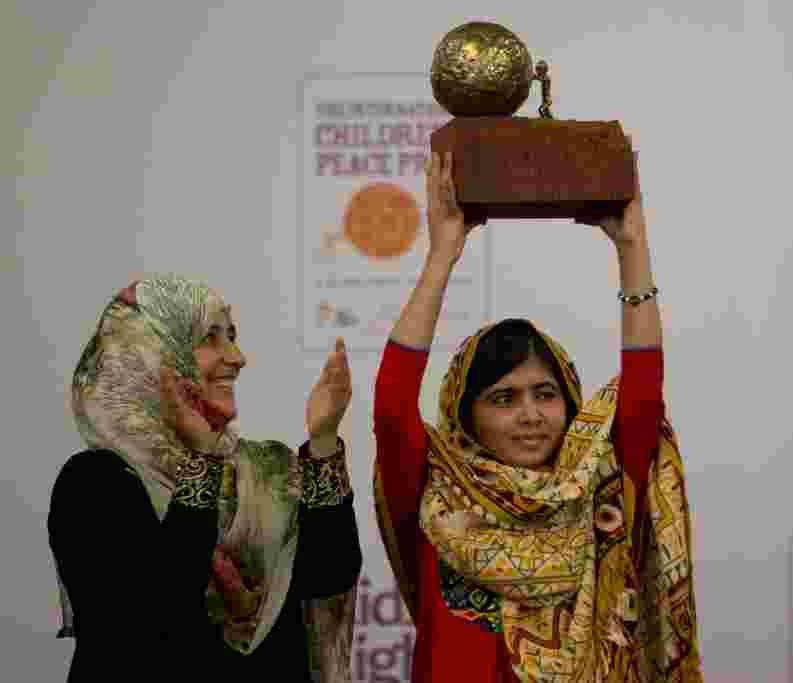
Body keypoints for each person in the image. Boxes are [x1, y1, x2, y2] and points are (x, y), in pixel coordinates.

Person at [373, 152, 703, 682]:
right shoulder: (434, 489)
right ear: (467, 417)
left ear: (569, 405)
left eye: (545, 394)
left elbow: (643, 386)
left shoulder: (602, 486)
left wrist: (631, 247)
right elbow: (392, 404)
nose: (531, 415)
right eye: (503, 399)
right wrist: (442, 256)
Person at [48, 274, 362, 683]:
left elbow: (329, 574)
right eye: (210, 339)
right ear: (152, 357)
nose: (237, 357)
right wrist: (199, 463)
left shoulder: (264, 470)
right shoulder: (95, 484)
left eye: (232, 335)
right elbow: (151, 617)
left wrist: (322, 441)